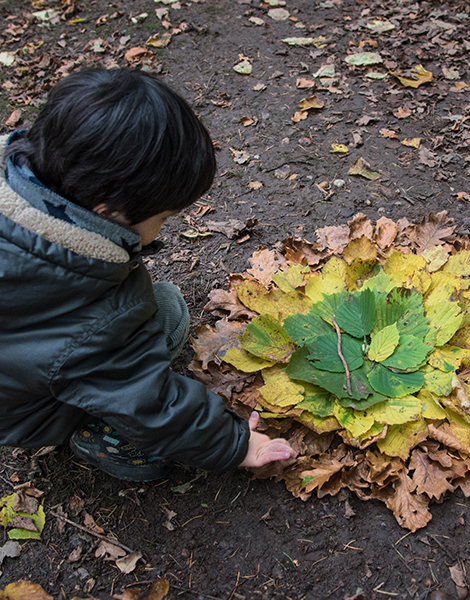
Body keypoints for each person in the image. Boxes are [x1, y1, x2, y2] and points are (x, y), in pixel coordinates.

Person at [0, 68, 296, 481]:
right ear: (106, 211)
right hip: (19, 412)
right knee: (169, 315)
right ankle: (99, 436)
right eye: (163, 217)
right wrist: (235, 443)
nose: (163, 228)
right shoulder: (92, 318)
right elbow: (149, 402)